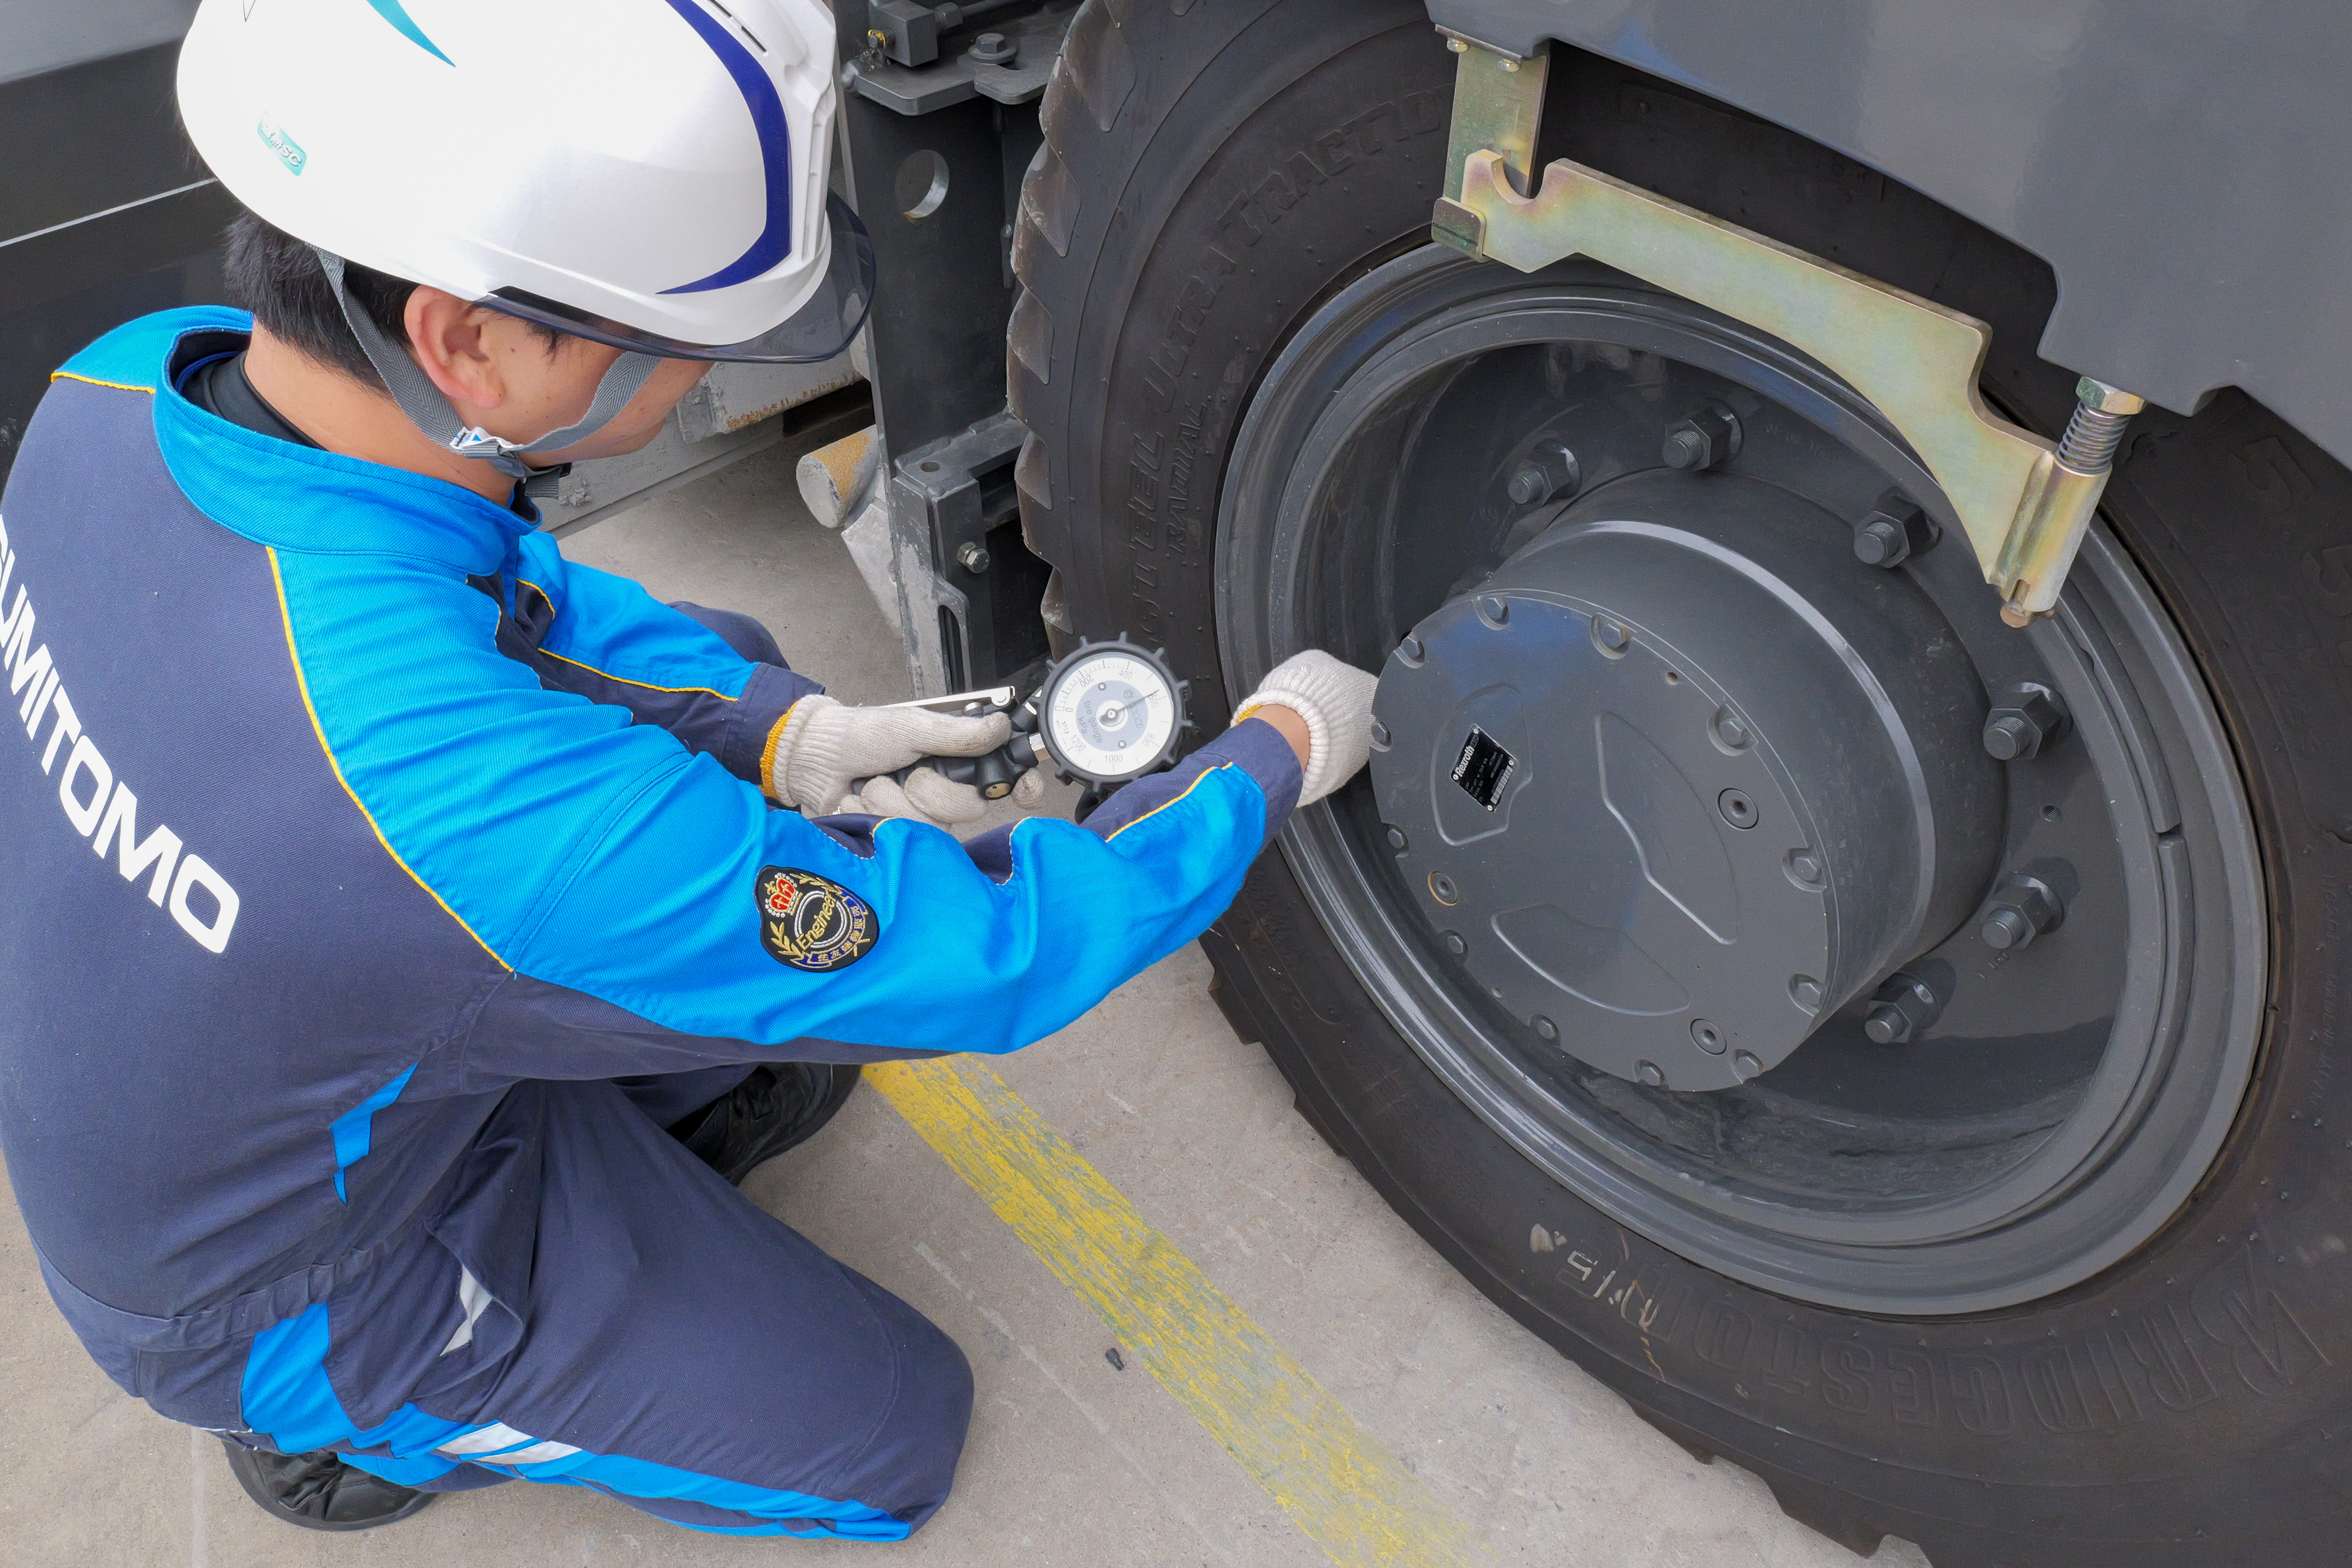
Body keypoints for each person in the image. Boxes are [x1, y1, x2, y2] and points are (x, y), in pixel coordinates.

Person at [0, 0, 1378, 1543]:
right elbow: (992, 952)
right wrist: (1270, 756)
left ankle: (541, 1092)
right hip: (278, 1281)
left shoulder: (122, 386)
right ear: (473, 340)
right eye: (681, 350)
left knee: (714, 684)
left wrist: (797, 738)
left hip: (254, 1043)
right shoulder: (457, 813)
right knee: (886, 1429)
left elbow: (508, 590)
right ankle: (347, 1433)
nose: (702, 377)